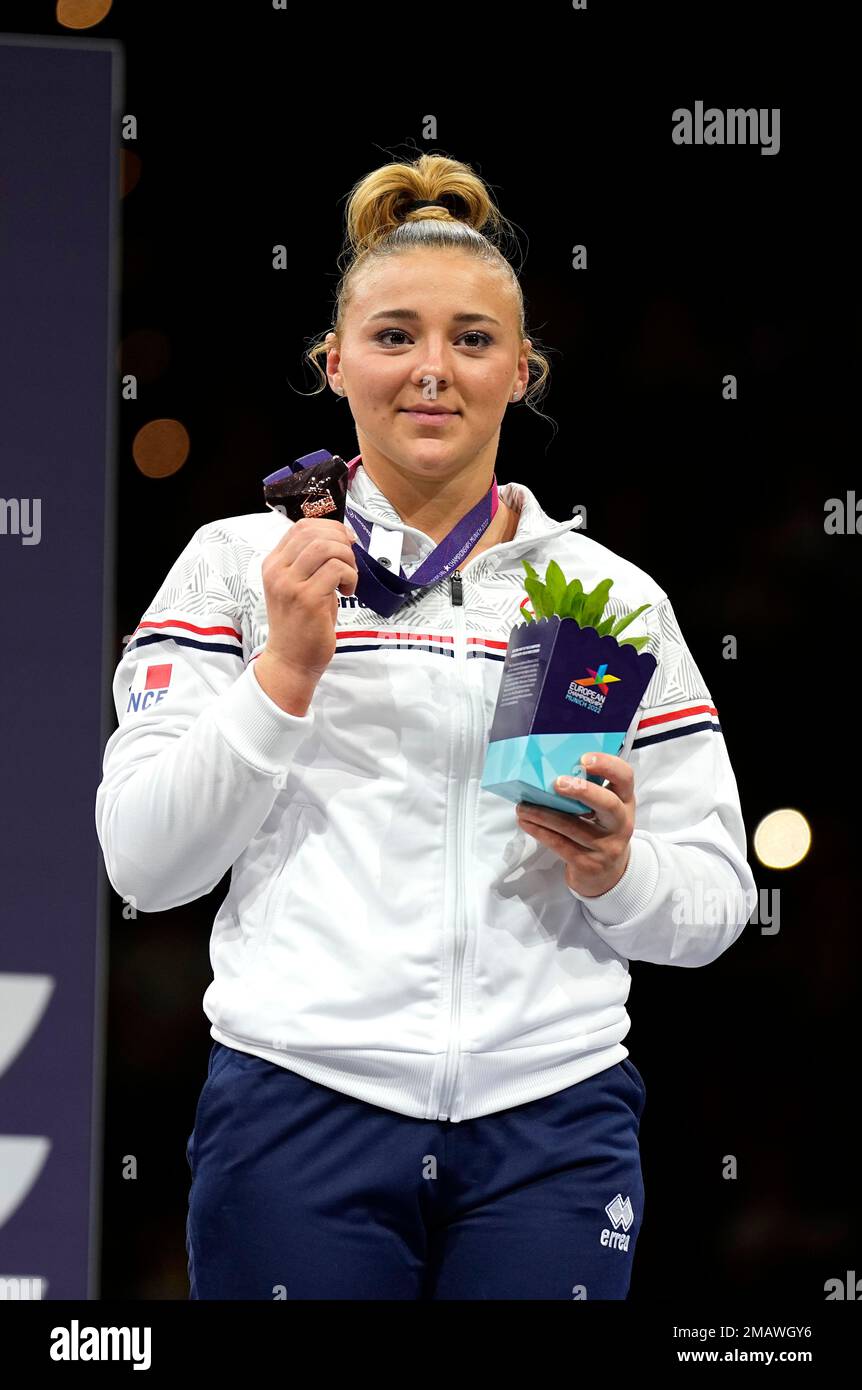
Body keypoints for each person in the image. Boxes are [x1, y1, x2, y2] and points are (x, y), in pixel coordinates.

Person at [95, 153, 756, 1300]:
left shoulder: (608, 597)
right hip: (296, 1103)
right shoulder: (239, 566)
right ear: (334, 361)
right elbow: (144, 861)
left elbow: (713, 903)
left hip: (551, 1120)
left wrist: (616, 872)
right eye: (395, 336)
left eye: (472, 339)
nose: (433, 372)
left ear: (522, 369)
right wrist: (285, 673)